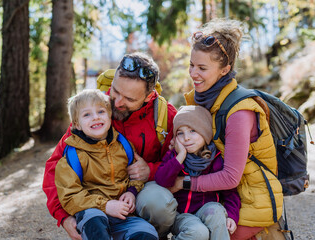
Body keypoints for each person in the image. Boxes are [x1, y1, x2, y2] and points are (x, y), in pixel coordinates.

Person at [42, 52, 178, 240]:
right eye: (115, 91)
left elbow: (180, 164)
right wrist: (63, 217)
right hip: (94, 201)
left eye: (129, 99)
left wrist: (150, 171)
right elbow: (56, 166)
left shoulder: (165, 116)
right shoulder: (94, 109)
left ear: (148, 97)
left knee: (159, 205)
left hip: (136, 194)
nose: (117, 103)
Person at [175, 18, 284, 239]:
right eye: (191, 65)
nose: (193, 73)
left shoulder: (239, 113)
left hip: (250, 202)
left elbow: (230, 178)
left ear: (225, 69)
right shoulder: (203, 101)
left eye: (202, 68)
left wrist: (182, 183)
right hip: (217, 198)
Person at [55, 89, 158, 240]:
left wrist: (131, 192)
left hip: (123, 215)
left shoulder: (123, 145)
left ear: (110, 116)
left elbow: (135, 176)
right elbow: (70, 195)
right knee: (95, 219)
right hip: (92, 212)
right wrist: (106, 206)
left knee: (147, 232)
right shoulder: (72, 156)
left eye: (101, 111)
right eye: (87, 114)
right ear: (76, 124)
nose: (95, 117)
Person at [155, 105, 241, 240]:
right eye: (180, 133)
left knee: (217, 210)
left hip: (207, 210)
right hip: (181, 215)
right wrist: (180, 156)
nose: (186, 138)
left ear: (205, 132)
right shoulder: (174, 157)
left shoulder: (216, 159)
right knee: (197, 231)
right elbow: (161, 180)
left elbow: (230, 192)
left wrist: (232, 216)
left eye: (192, 131)